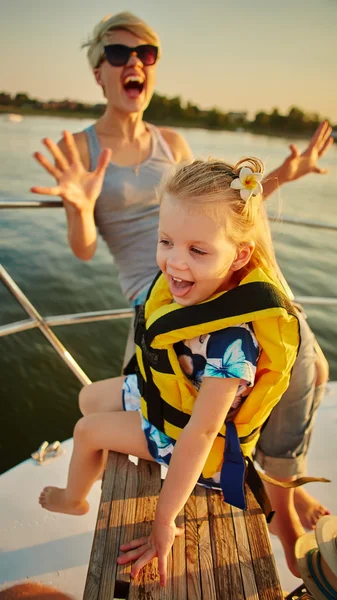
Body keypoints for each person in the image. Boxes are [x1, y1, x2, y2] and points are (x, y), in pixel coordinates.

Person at [31, 11, 332, 575]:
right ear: (99, 69)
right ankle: (281, 486)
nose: (135, 63)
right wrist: (78, 206)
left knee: (301, 372)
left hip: (226, 288)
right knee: (147, 395)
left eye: (147, 54)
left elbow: (218, 211)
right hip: (162, 298)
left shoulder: (172, 141)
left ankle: (285, 507)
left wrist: (284, 177)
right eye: (120, 53)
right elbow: (85, 248)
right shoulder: (80, 146)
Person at [39, 156, 303, 586]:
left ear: (239, 256)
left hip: (194, 445)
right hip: (166, 397)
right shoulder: (191, 289)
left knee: (87, 430)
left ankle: (74, 499)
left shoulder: (231, 345)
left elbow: (200, 434)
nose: (175, 263)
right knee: (88, 399)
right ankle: (100, 459)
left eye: (197, 250)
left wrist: (164, 520)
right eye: (166, 242)